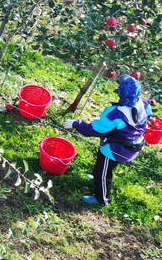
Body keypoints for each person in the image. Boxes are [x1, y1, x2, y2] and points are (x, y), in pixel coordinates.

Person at [64, 75, 151, 206]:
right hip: (133, 144)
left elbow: (95, 129)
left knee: (103, 173)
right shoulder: (144, 104)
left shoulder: (114, 114)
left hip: (114, 150)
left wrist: (76, 124)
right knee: (104, 167)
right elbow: (148, 117)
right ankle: (97, 178)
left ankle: (103, 199)